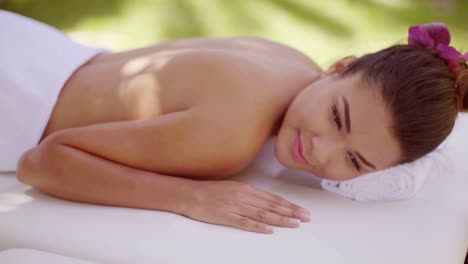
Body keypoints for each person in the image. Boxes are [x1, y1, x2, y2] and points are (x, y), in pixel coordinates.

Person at [7, 10, 467, 233]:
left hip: (35, 46)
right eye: (335, 117)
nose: (320, 150)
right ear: (340, 66)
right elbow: (42, 162)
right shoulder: (229, 137)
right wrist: (190, 196)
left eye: (355, 160)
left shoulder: (290, 62)